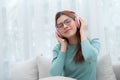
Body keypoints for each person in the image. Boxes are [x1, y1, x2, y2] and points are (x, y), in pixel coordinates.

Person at [50, 10, 100, 80]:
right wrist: (63, 47)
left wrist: (82, 31)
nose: (65, 26)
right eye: (60, 25)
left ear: (77, 22)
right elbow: (54, 74)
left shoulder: (94, 42)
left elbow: (90, 56)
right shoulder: (58, 48)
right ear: (58, 31)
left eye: (68, 21)